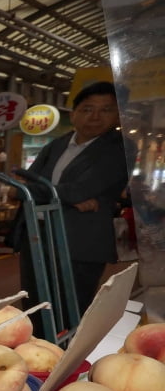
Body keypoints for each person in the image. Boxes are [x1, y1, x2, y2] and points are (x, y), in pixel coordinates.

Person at [18, 81, 133, 317]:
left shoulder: (120, 148)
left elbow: (77, 191)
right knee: (33, 309)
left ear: (119, 117)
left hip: (80, 244)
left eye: (106, 110)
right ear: (74, 114)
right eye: (88, 109)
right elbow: (21, 187)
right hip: (37, 237)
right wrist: (66, 196)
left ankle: (66, 355)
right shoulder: (56, 145)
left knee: (68, 313)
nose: (95, 116)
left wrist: (41, 190)